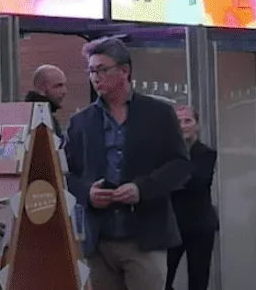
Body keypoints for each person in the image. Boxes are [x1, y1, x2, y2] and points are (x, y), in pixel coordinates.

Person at [66, 36, 191, 290]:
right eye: (91, 71)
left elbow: (180, 166)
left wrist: (141, 189)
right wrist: (87, 193)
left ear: (124, 71)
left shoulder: (158, 114)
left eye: (102, 70)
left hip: (145, 237)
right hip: (98, 241)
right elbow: (66, 174)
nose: (95, 78)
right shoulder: (81, 122)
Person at [165, 105, 217, 290]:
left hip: (200, 227)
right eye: (178, 122)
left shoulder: (207, 154)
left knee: (198, 281)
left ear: (197, 125)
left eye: (188, 121)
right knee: (163, 280)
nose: (183, 125)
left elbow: (197, 181)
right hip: (172, 227)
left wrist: (171, 177)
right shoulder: (165, 154)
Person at [26, 65, 69, 137]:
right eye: (59, 86)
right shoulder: (40, 120)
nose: (64, 91)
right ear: (42, 88)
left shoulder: (44, 115)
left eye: (64, 85)